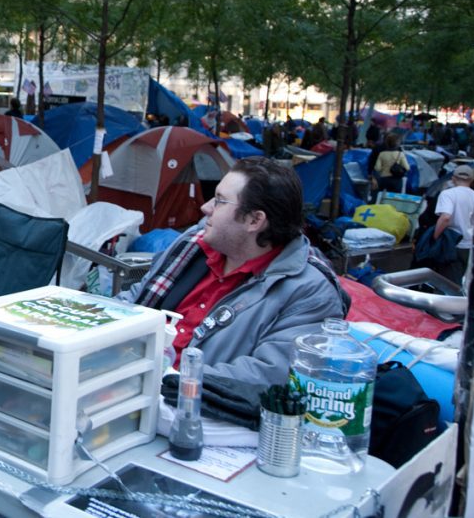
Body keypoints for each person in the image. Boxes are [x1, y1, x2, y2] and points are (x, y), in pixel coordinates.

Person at [117, 156, 348, 385]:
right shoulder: (193, 245)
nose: (205, 207)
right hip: (131, 379)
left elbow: (268, 376)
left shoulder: (309, 291)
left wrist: (167, 378)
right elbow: (134, 299)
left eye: (219, 200)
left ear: (254, 220)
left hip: (193, 407)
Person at [432, 164, 474, 284]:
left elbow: (445, 217)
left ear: (453, 178)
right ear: (471, 180)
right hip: (470, 245)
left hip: (452, 243)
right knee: (467, 282)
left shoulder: (448, 194)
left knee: (449, 283)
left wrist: (435, 236)